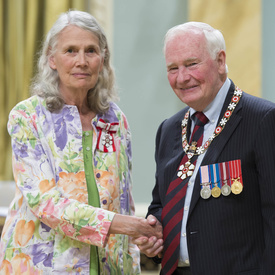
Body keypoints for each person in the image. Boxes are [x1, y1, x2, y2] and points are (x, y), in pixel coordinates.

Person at [0, 10, 161, 274]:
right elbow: (46, 204)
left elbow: (123, 202)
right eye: (71, 51)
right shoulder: (26, 116)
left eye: (91, 51)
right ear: (52, 59)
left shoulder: (115, 120)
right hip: (42, 265)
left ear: (103, 58)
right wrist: (125, 225)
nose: (82, 61)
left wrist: (140, 238)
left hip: (108, 266)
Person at [133, 22, 275, 275]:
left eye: (191, 64)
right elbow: (161, 205)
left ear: (220, 61)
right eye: (172, 68)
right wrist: (154, 232)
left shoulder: (263, 120)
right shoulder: (168, 129)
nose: (182, 77)